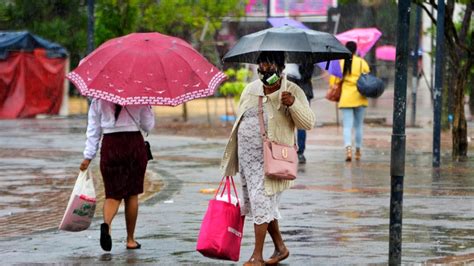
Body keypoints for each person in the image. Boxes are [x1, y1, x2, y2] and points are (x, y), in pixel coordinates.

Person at [220, 51, 315, 265]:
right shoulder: (250, 89)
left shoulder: (292, 90)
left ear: (280, 68)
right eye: (261, 64)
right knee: (258, 203)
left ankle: (257, 255)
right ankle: (280, 248)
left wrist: (292, 104)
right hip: (248, 159)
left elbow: (308, 123)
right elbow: (241, 119)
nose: (264, 69)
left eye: (269, 65)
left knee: (262, 200)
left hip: (273, 159)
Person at [79, 99, 155, 251]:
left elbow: (93, 130)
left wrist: (88, 157)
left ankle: (106, 225)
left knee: (112, 194)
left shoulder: (98, 99)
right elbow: (148, 126)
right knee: (132, 194)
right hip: (134, 145)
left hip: (111, 145)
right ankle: (130, 240)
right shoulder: (140, 97)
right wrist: (149, 107)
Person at [329, 41, 370, 161]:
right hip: (360, 97)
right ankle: (358, 150)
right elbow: (368, 77)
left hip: (346, 98)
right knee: (358, 126)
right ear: (356, 50)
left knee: (347, 126)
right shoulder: (362, 62)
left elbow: (333, 82)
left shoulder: (341, 63)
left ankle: (348, 150)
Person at [286, 63, 315, 164]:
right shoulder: (287, 57)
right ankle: (288, 150)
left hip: (303, 91)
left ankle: (300, 152)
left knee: (301, 122)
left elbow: (307, 74)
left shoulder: (307, 58)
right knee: (286, 122)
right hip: (290, 90)